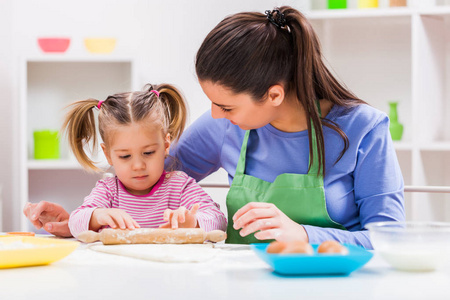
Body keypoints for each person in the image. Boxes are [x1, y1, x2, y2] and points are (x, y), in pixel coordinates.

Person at [23, 6, 404, 249]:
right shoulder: (222, 126)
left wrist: (306, 235)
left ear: (273, 95)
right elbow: (144, 182)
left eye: (226, 106)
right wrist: (77, 219)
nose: (215, 116)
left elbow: (389, 239)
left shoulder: (363, 130)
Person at [34, 83, 227, 239]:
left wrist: (192, 222)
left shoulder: (179, 185)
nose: (138, 165)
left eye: (149, 152)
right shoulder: (109, 190)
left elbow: (217, 219)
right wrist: (98, 215)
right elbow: (76, 222)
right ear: (108, 154)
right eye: (125, 156)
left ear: (166, 145)